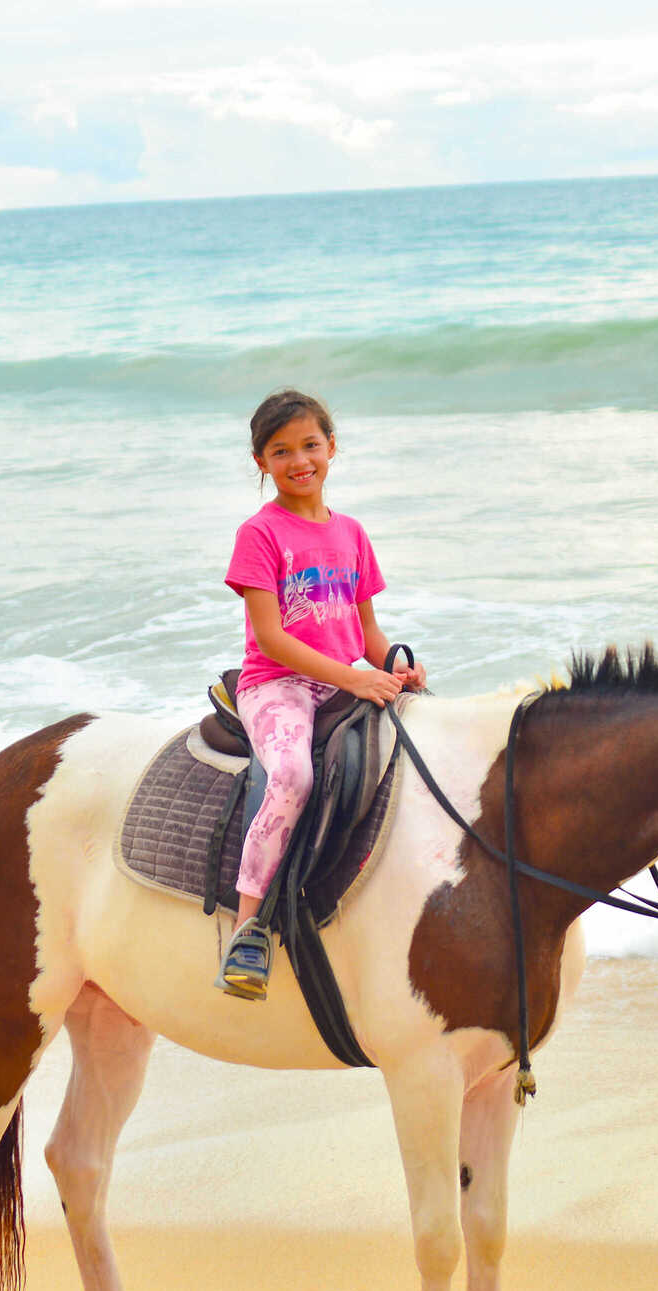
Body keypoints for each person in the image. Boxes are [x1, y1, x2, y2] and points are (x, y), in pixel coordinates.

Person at [217, 389, 424, 999]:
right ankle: (248, 928)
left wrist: (396, 667)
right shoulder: (259, 534)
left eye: (310, 445)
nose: (298, 460)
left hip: (341, 678)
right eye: (281, 451)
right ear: (261, 462)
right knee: (292, 778)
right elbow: (272, 639)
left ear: (332, 448)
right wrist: (356, 677)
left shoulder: (352, 534)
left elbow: (366, 634)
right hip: (276, 684)